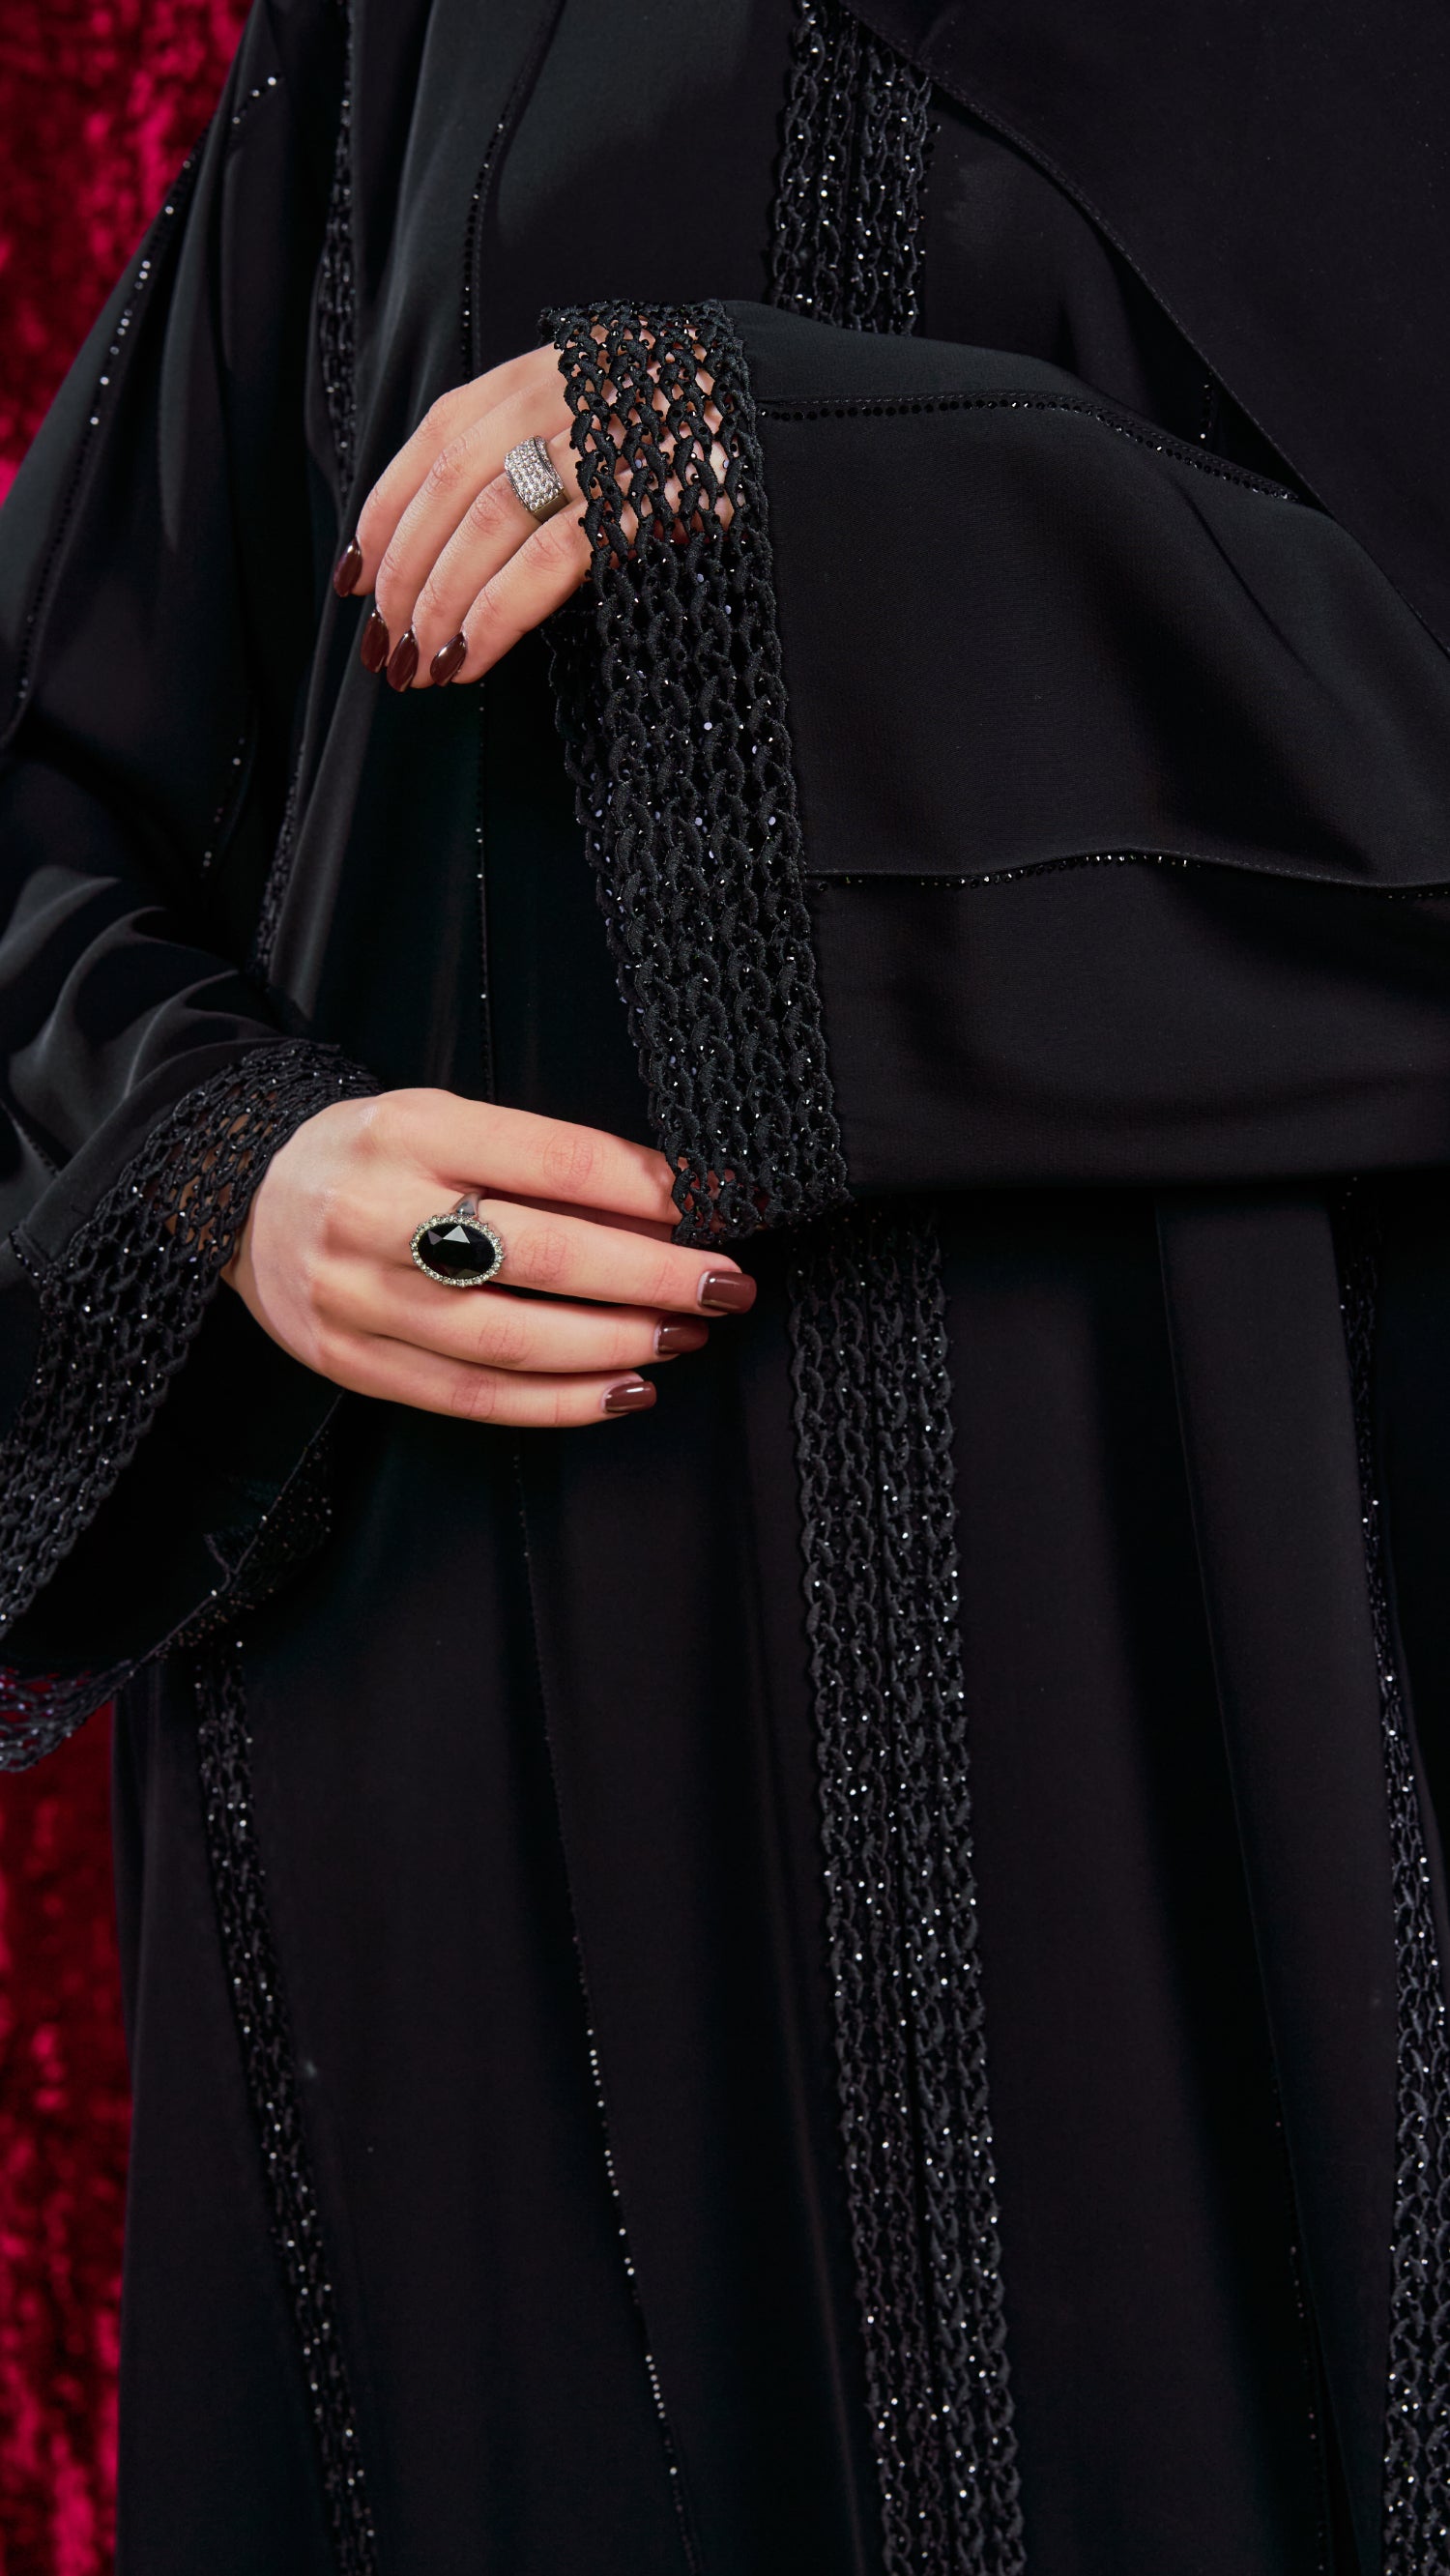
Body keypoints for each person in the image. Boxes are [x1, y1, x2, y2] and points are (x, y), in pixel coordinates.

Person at [3, 0, 1449, 2566]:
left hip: (1170, 1698)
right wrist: (236, 1156)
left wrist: (801, 477)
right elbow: (58, 771)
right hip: (463, 1685)